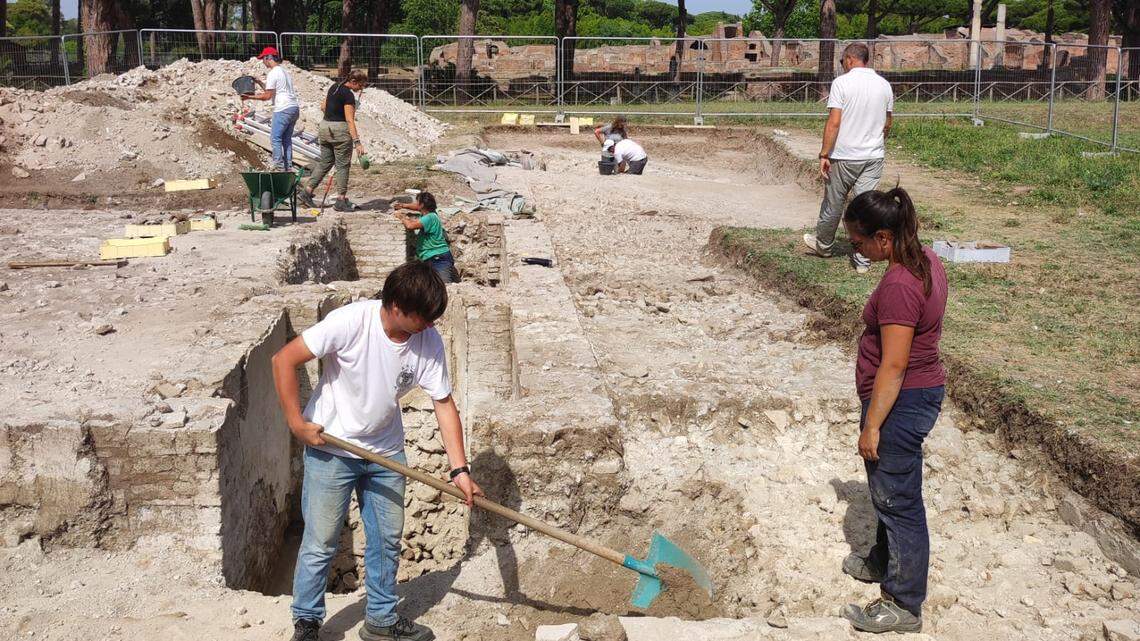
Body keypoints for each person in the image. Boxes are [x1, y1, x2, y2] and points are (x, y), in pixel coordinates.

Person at [271, 261, 483, 641]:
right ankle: (307, 622)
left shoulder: (427, 340)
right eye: (424, 317)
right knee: (321, 541)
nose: (431, 326)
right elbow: (283, 359)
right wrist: (296, 423)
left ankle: (382, 620)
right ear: (397, 306)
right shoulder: (350, 322)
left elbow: (444, 403)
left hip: (385, 455)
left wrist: (460, 470)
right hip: (331, 449)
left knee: (386, 539)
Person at [839, 187, 947, 634]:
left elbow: (896, 363)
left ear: (883, 238)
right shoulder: (925, 259)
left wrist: (873, 425)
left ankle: (903, 604)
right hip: (912, 395)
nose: (857, 250)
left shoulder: (901, 284)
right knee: (887, 490)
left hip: (901, 403)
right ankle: (883, 562)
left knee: (898, 501)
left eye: (859, 242)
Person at [803, 42, 894, 275]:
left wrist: (824, 153)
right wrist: (875, 143)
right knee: (865, 207)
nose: (842, 65)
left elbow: (834, 121)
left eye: (843, 61)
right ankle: (863, 259)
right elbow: (888, 123)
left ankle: (823, 245)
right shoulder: (884, 85)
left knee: (834, 202)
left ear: (850, 59)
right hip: (873, 156)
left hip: (844, 155)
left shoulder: (841, 83)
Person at [296, 70, 369, 213]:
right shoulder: (348, 95)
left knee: (325, 162)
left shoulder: (334, 87)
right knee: (342, 165)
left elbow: (323, 106)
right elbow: (349, 119)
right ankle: (341, 200)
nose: (361, 89)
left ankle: (307, 192)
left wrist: (334, 113)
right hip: (339, 132)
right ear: (353, 82)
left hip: (325, 127)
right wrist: (357, 142)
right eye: (360, 86)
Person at [242, 46, 301, 171]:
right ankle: (288, 166)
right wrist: (259, 82)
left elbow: (267, 96)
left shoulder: (273, 73)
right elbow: (272, 91)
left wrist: (249, 97)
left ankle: (279, 167)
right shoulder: (284, 72)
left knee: (275, 138)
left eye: (263, 58)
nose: (262, 61)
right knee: (286, 139)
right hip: (294, 108)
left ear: (268, 58)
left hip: (283, 109)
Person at [394, 192, 457, 283]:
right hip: (430, 257)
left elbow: (410, 226)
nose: (416, 204)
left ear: (422, 205)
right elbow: (416, 206)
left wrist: (402, 217)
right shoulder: (429, 212)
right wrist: (403, 205)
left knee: (444, 286)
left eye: (418, 202)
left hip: (438, 259)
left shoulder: (429, 217)